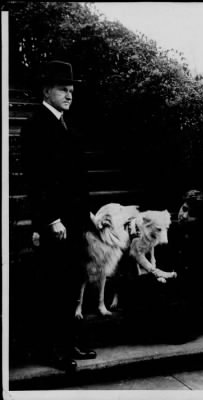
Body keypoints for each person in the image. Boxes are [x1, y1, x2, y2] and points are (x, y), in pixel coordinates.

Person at [21, 60, 96, 371]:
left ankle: (68, 343)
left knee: (70, 284)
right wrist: (51, 219)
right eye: (63, 89)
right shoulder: (35, 125)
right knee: (52, 287)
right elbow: (36, 179)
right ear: (46, 91)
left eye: (72, 90)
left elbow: (76, 177)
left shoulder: (67, 125)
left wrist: (87, 212)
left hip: (74, 220)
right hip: (55, 223)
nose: (69, 95)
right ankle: (51, 350)